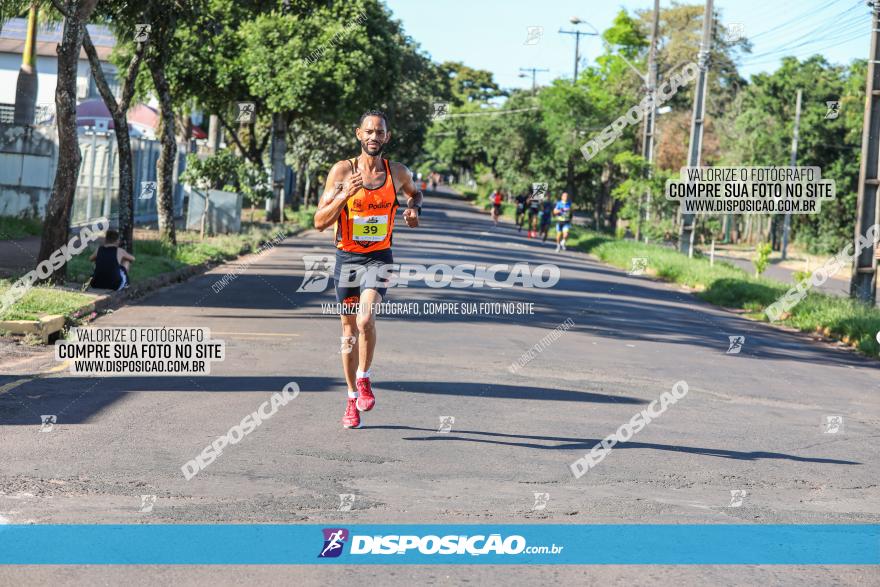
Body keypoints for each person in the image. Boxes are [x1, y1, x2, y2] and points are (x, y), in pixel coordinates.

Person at [313, 109, 423, 429]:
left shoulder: (397, 172)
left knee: (365, 318)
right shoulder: (342, 172)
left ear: (387, 137)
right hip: (347, 259)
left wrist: (414, 208)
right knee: (347, 334)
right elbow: (320, 222)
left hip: (379, 258)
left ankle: (364, 378)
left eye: (380, 132)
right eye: (369, 131)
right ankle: (350, 399)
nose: (375, 136)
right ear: (359, 135)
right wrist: (345, 195)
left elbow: (414, 193)